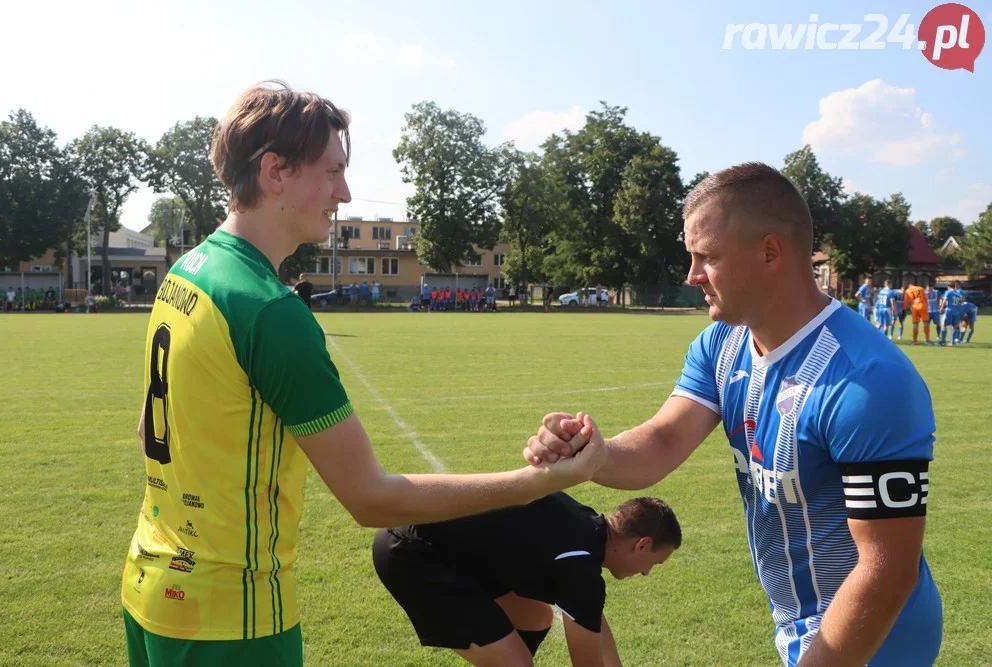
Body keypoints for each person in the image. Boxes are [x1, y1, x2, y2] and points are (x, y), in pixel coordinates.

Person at [120, 81, 606, 667]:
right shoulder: (270, 310)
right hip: (230, 616)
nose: (344, 193)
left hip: (152, 584)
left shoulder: (189, 271)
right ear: (275, 171)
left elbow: (150, 425)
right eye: (331, 172)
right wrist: (536, 483)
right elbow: (370, 499)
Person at [525, 163, 942, 667]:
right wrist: (593, 454)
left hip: (877, 640)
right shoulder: (722, 345)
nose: (691, 275)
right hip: (801, 627)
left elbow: (886, 570)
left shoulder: (870, 382)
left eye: (707, 257)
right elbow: (662, 440)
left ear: (770, 253)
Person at [373, 493, 681, 666]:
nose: (646, 572)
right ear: (642, 544)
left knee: (536, 616)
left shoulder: (587, 529)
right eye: (654, 562)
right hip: (414, 553)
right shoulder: (580, 564)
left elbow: (592, 621)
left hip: (431, 542)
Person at [903, 281, 933, 346]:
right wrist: (926, 307)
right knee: (926, 323)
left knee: (915, 324)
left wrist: (904, 309)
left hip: (914, 308)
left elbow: (906, 302)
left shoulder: (907, 291)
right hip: (922, 306)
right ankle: (927, 339)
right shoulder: (920, 288)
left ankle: (915, 341)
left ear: (908, 286)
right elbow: (925, 298)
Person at [939, 280, 965, 346]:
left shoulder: (948, 292)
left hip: (949, 311)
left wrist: (941, 308)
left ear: (949, 286)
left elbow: (944, 300)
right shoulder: (959, 294)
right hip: (957, 312)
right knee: (955, 327)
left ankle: (943, 341)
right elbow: (962, 302)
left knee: (944, 326)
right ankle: (952, 342)